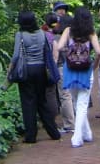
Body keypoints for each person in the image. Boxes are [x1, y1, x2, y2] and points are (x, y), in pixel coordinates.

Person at [9, 10, 61, 144]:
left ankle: (31, 136)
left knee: (28, 103)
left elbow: (15, 56)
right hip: (41, 70)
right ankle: (53, 132)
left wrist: (10, 71)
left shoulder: (20, 35)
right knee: (42, 101)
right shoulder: (42, 34)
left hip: (26, 71)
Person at [53, 6, 100, 148]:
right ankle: (77, 136)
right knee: (82, 103)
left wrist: (70, 49)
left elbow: (60, 46)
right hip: (85, 69)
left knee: (76, 102)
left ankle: (86, 134)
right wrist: (94, 61)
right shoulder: (90, 33)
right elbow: (99, 50)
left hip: (70, 68)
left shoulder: (68, 30)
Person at [52, 0, 74, 133]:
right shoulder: (75, 32)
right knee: (73, 94)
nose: (61, 11)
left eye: (63, 9)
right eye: (59, 9)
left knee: (65, 95)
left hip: (63, 65)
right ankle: (76, 120)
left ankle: (70, 124)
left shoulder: (56, 36)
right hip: (75, 65)